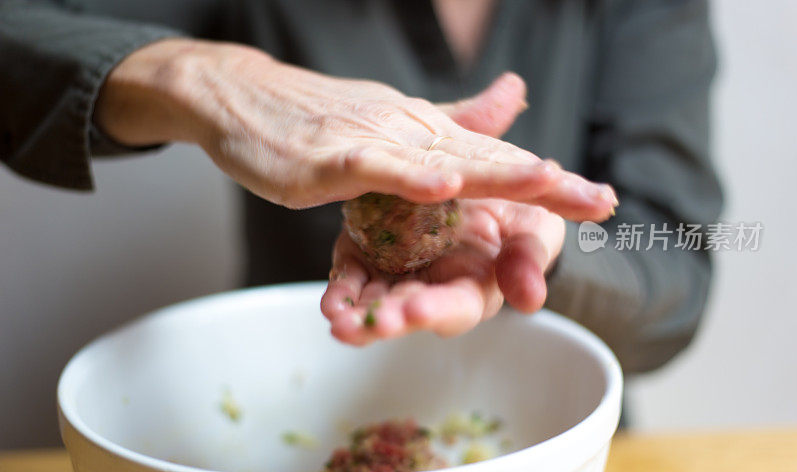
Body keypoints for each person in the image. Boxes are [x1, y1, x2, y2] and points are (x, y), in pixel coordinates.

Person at [0, 0, 721, 372]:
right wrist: (204, 77)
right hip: (290, 409)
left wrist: (543, 251)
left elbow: (676, 280)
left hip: (554, 430)